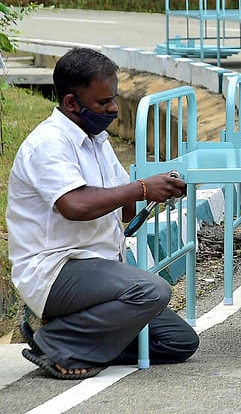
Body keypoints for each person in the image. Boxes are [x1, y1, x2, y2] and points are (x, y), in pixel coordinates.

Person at [6, 47, 199, 379]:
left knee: (179, 342)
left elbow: (125, 211)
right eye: (103, 102)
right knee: (152, 290)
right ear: (71, 103)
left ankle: (75, 335)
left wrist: (160, 187)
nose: (112, 108)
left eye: (114, 98)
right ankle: (56, 341)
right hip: (56, 270)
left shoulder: (97, 139)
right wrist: (141, 188)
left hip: (98, 271)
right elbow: (75, 206)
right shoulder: (48, 144)